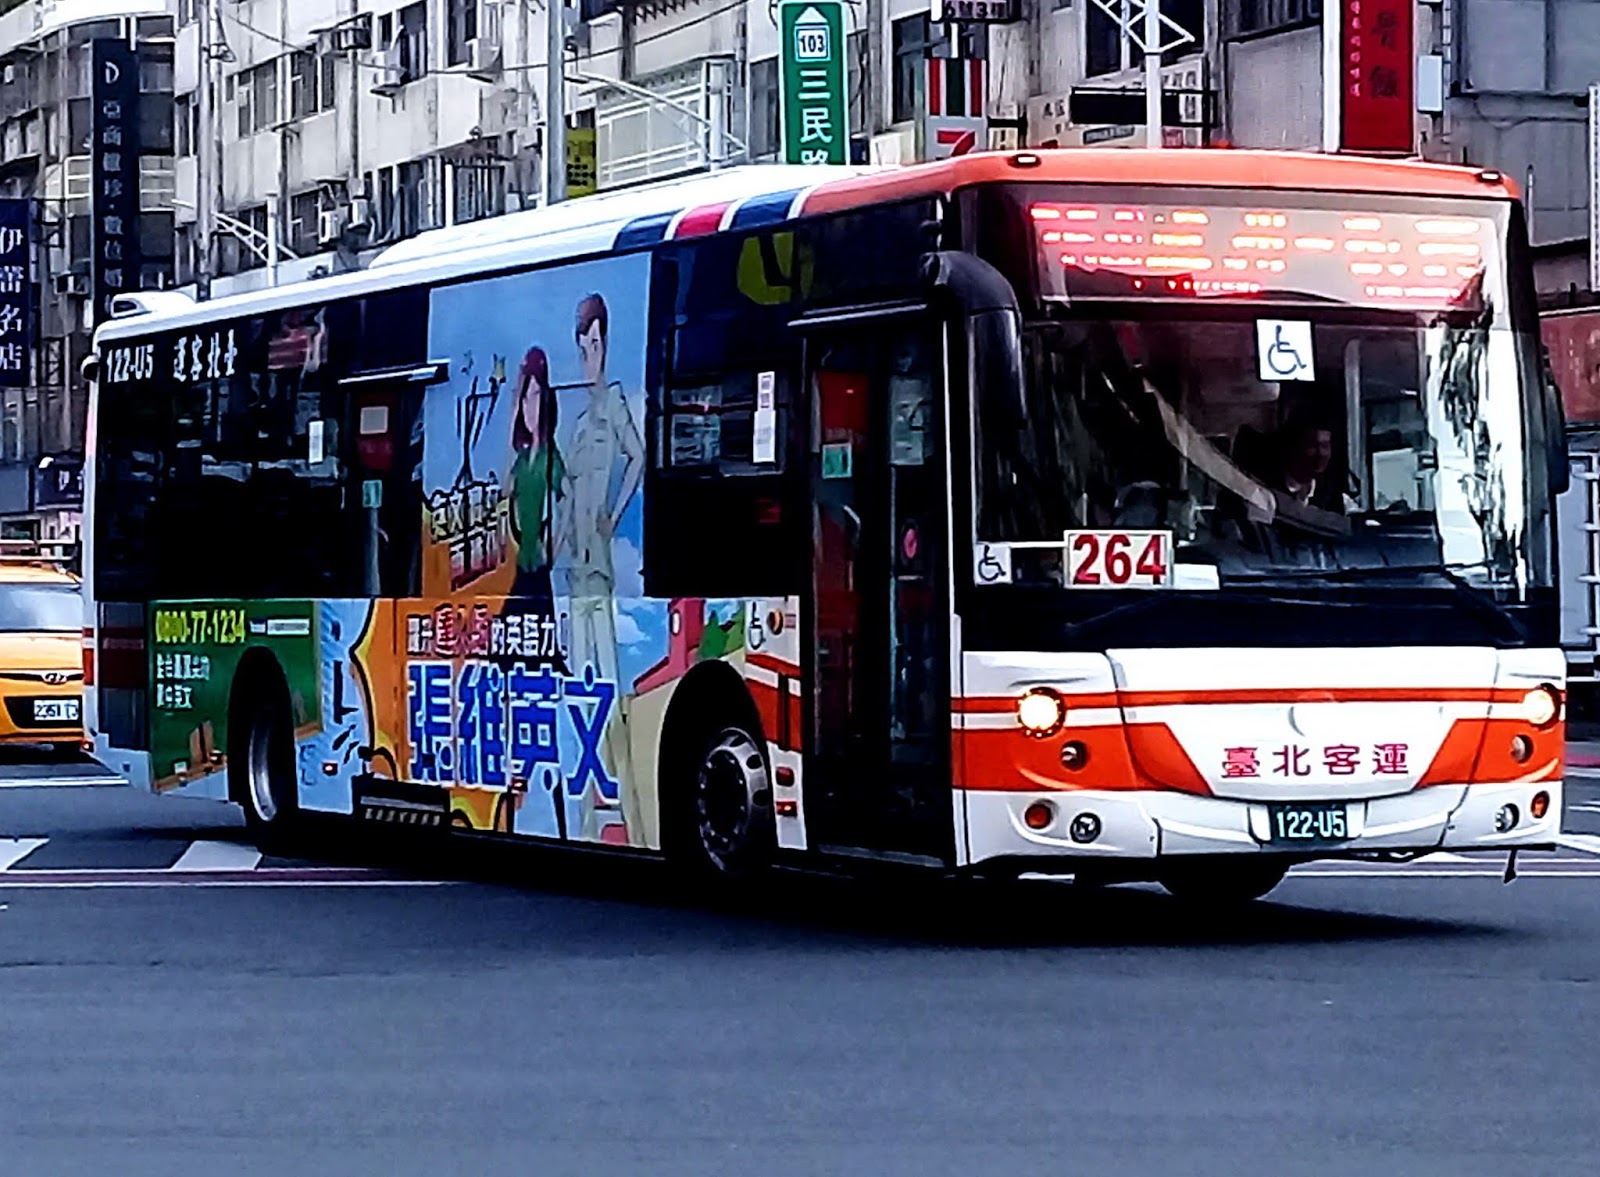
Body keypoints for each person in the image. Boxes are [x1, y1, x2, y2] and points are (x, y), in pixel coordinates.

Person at [562, 293, 644, 840]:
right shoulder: (575, 420)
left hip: (599, 574)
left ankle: (627, 815)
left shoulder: (614, 403)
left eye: (598, 344)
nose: (591, 355)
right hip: (574, 572)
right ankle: (587, 821)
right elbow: (568, 491)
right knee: (578, 693)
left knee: (608, 694)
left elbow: (637, 456)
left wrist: (613, 514)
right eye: (584, 347)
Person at [505, 347, 565, 616]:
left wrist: (554, 547)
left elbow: (568, 498)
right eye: (525, 400)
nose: (530, 408)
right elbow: (506, 489)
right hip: (520, 561)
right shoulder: (522, 458)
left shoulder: (550, 456)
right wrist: (512, 413)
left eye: (536, 396)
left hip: (538, 567)